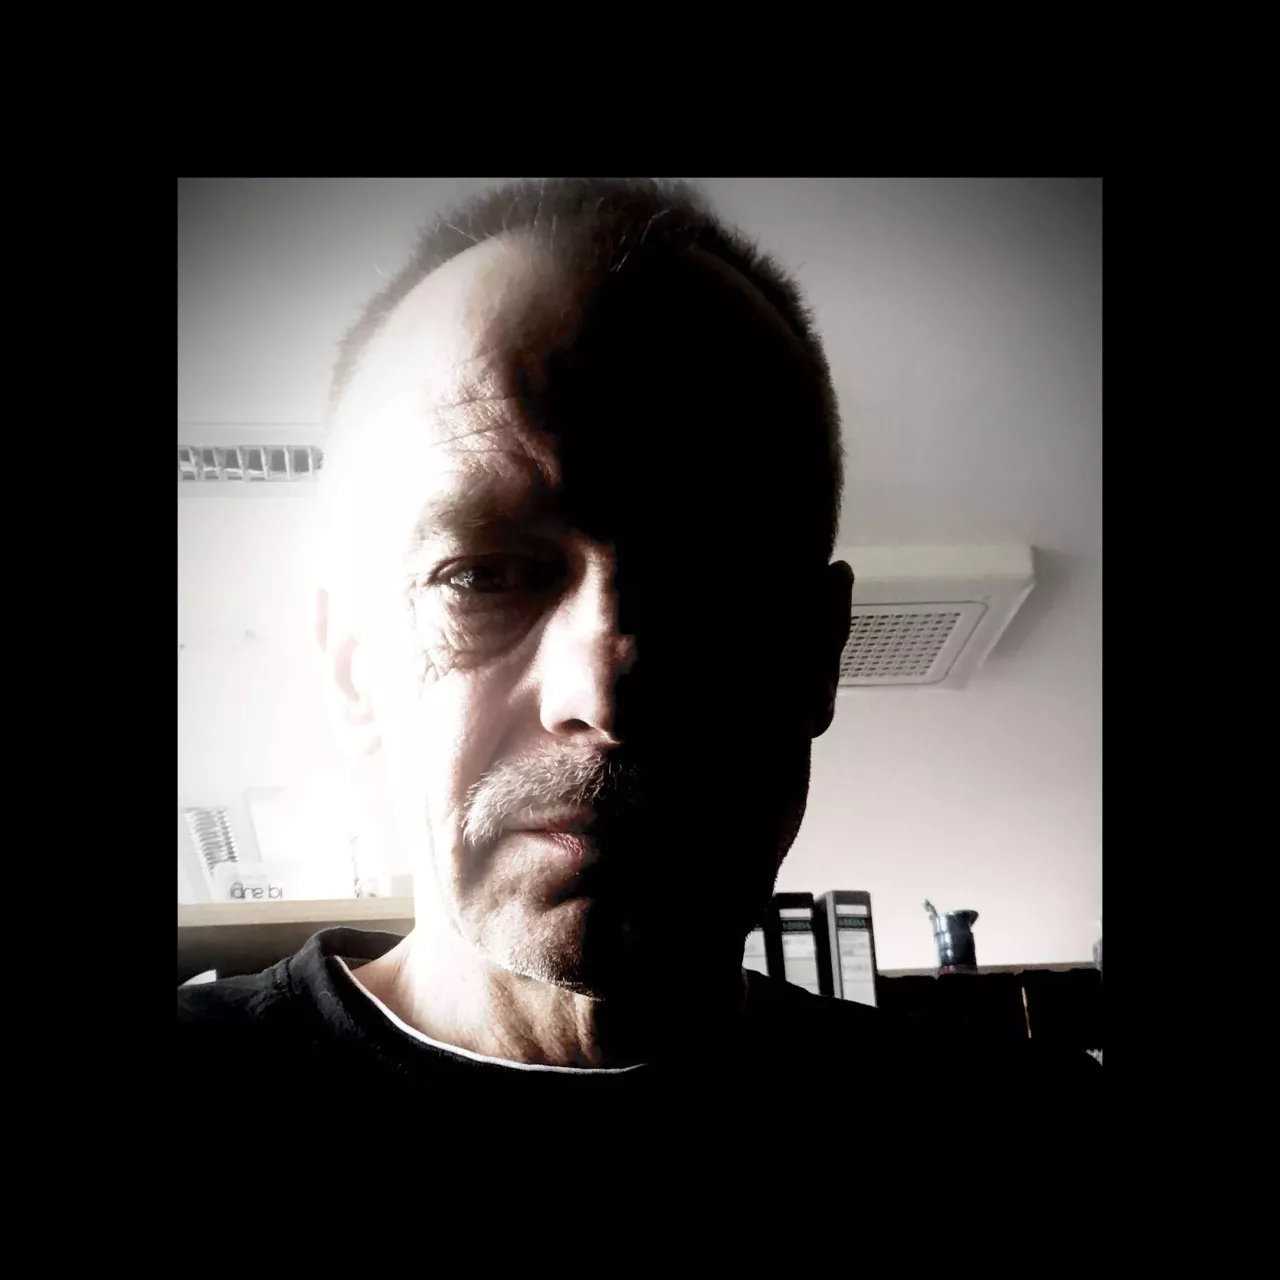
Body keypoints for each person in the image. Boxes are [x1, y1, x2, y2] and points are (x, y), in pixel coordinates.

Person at [178, 179, 1097, 1211]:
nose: (604, 691)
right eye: (483, 574)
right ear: (353, 665)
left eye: (712, 573)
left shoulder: (1037, 1141)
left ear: (816, 654)